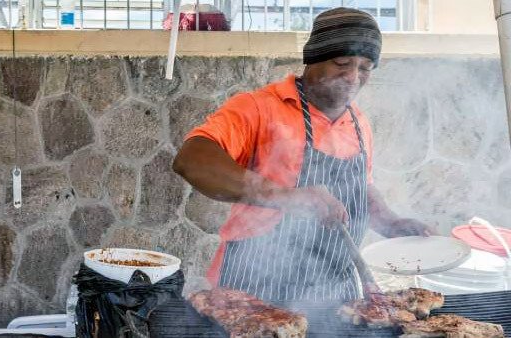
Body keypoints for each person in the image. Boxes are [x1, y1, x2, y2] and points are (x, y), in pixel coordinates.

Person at [172, 7, 436, 302]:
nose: (352, 77)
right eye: (342, 63)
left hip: (334, 288)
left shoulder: (359, 122)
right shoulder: (259, 107)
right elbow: (191, 159)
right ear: (312, 60)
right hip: (255, 283)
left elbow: (360, 188)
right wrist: (289, 197)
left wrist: (390, 222)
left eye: (365, 68)